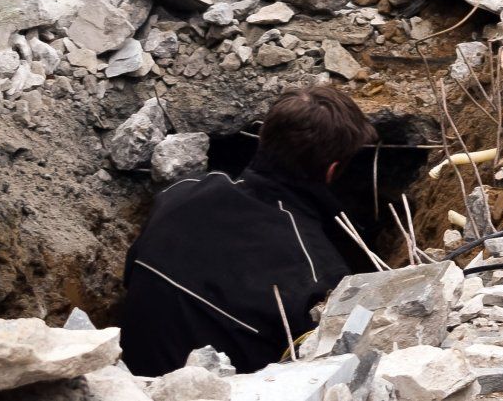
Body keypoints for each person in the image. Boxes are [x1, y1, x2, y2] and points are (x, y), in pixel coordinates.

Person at [116, 86, 378, 377]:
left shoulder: (177, 195)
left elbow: (130, 280)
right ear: (331, 171)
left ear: (263, 138)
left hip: (124, 382)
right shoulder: (317, 272)